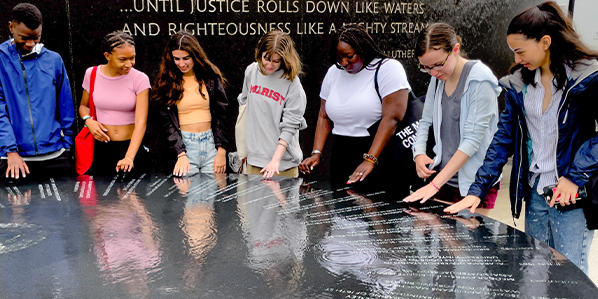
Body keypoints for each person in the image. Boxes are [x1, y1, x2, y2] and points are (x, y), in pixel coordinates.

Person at [445, 1, 598, 274]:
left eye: (520, 51)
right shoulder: (520, 83)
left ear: (545, 42)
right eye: (513, 51)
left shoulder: (587, 78)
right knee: (534, 273)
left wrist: (574, 176)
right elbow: (503, 139)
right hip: (535, 193)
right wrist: (477, 190)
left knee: (570, 275)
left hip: (571, 196)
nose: (517, 58)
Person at [299, 24, 412, 194]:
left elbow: (392, 118)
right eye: (338, 58)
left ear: (363, 49)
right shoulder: (333, 72)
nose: (344, 63)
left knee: (377, 208)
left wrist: (370, 159)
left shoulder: (387, 68)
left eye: (349, 56)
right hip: (341, 152)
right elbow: (324, 115)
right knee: (342, 207)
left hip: (380, 151)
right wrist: (316, 153)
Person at [403, 23, 502, 208]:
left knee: (469, 228)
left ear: (455, 49)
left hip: (475, 181)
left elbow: (472, 140)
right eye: (426, 67)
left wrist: (434, 185)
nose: (433, 72)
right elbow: (425, 120)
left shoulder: (480, 80)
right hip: (443, 177)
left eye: (438, 64)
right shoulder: (438, 78)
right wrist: (419, 152)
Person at [0, 3, 75, 181]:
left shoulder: (53, 60)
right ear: (11, 27)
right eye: (24, 38)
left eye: (36, 37)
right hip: (15, 160)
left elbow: (65, 103)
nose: (30, 43)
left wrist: (67, 145)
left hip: (57, 155)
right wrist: (10, 151)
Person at [152, 31, 229, 176]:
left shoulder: (210, 78)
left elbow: (223, 115)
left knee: (215, 189)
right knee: (186, 189)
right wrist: (180, 153)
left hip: (211, 144)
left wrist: (221, 150)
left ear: (195, 55)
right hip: (184, 147)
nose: (181, 64)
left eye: (186, 58)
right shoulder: (166, 82)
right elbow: (166, 123)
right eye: (176, 59)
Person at [78, 31, 150, 176]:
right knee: (102, 190)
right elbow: (83, 106)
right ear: (107, 56)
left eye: (132, 58)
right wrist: (88, 121)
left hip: (132, 148)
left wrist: (129, 157)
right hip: (101, 149)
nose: (129, 64)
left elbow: (141, 122)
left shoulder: (140, 79)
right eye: (122, 59)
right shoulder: (92, 74)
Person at [238, 30, 307, 178]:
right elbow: (244, 106)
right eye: (266, 58)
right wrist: (244, 150)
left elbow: (291, 124)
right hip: (253, 161)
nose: (269, 65)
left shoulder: (292, 82)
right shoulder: (252, 71)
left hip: (282, 165)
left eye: (276, 61)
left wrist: (276, 160)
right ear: (260, 53)